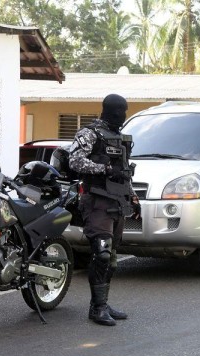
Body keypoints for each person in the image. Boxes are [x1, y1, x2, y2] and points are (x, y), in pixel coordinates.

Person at [60, 93, 141, 326]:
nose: (122, 115)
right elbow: (74, 161)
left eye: (124, 111)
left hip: (118, 202)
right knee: (102, 253)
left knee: (112, 258)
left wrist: (133, 197)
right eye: (118, 111)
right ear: (107, 110)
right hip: (96, 201)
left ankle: (102, 303)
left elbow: (123, 171)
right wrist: (103, 169)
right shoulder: (89, 134)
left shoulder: (120, 137)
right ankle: (97, 309)